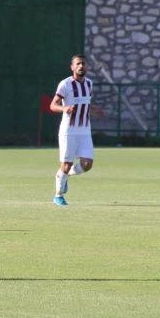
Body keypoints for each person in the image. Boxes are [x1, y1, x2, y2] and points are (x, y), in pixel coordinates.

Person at [49, 54, 97, 206]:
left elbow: (85, 105)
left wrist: (95, 111)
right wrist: (65, 108)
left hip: (84, 131)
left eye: (83, 63)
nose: (81, 66)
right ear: (72, 67)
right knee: (66, 163)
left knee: (87, 164)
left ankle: (64, 175)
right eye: (78, 64)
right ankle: (58, 195)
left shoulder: (89, 84)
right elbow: (52, 105)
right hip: (68, 131)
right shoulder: (65, 84)